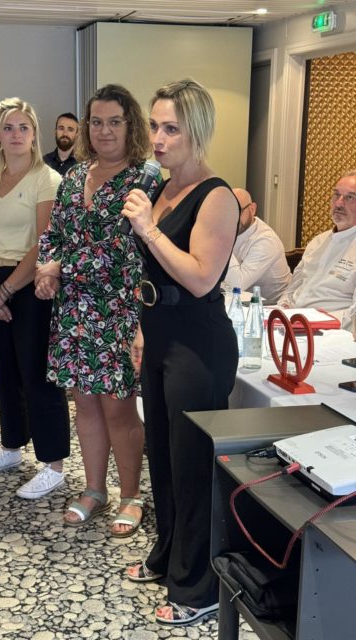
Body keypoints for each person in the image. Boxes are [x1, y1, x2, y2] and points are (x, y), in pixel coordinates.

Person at [121, 79, 239, 625]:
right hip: (161, 333)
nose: (158, 138)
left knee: (191, 465)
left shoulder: (216, 196)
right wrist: (142, 330)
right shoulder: (163, 186)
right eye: (154, 126)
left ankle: (199, 587)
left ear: (197, 131)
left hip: (199, 343)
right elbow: (155, 276)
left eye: (171, 128)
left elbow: (198, 278)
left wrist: (148, 229)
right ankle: (170, 556)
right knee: (164, 457)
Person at [35, 84, 156, 537]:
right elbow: (54, 235)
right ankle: (94, 489)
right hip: (74, 310)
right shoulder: (73, 177)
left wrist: (60, 267)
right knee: (84, 403)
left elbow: (122, 251)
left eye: (114, 122)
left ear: (131, 125)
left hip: (118, 309)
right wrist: (47, 267)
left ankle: (131, 495)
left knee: (118, 408)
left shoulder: (144, 179)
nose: (104, 131)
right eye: (97, 122)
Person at [0, 97, 70, 499]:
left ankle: (53, 464)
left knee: (37, 376)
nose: (15, 134)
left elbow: (44, 242)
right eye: (8, 127)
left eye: (23, 127)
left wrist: (5, 292)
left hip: (29, 285)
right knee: (2, 374)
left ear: (34, 135)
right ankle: (11, 447)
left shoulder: (46, 180)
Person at [278, 171, 356, 331]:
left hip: (329, 331)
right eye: (336, 195)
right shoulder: (317, 242)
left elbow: (353, 315)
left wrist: (314, 324)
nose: (339, 203)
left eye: (350, 197)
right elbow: (292, 289)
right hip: (293, 324)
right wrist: (282, 309)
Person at [224, 188, 291, 304]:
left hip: (272, 305)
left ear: (252, 209)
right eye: (226, 212)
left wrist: (222, 241)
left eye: (237, 211)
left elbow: (238, 284)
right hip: (243, 300)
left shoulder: (266, 240)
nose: (231, 218)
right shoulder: (232, 231)